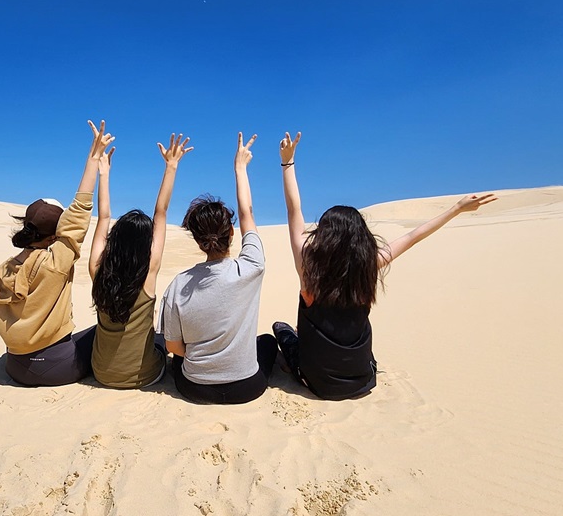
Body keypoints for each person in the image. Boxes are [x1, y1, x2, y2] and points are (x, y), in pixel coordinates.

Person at [273, 131, 497, 400]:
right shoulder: (368, 266)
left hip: (319, 384)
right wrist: (456, 209)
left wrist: (288, 164)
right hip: (364, 380)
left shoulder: (308, 270)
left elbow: (293, 210)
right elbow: (413, 236)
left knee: (281, 329)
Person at [0, 120, 115, 386]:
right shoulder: (55, 262)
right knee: (105, 332)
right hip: (55, 368)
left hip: (13, 366)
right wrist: (94, 159)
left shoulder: (3, 270)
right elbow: (80, 212)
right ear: (54, 235)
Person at [160, 133, 278, 404]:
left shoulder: (179, 284)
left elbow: (174, 347)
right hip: (247, 388)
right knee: (269, 343)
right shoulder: (251, 266)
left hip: (195, 389)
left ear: (198, 241)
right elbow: (248, 215)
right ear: (232, 233)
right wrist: (240, 168)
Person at [89, 133, 194, 389]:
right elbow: (161, 212)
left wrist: (104, 174)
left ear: (114, 240)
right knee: (159, 339)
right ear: (144, 246)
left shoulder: (97, 271)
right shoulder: (148, 272)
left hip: (100, 374)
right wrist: (171, 167)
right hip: (144, 376)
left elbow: (103, 218)